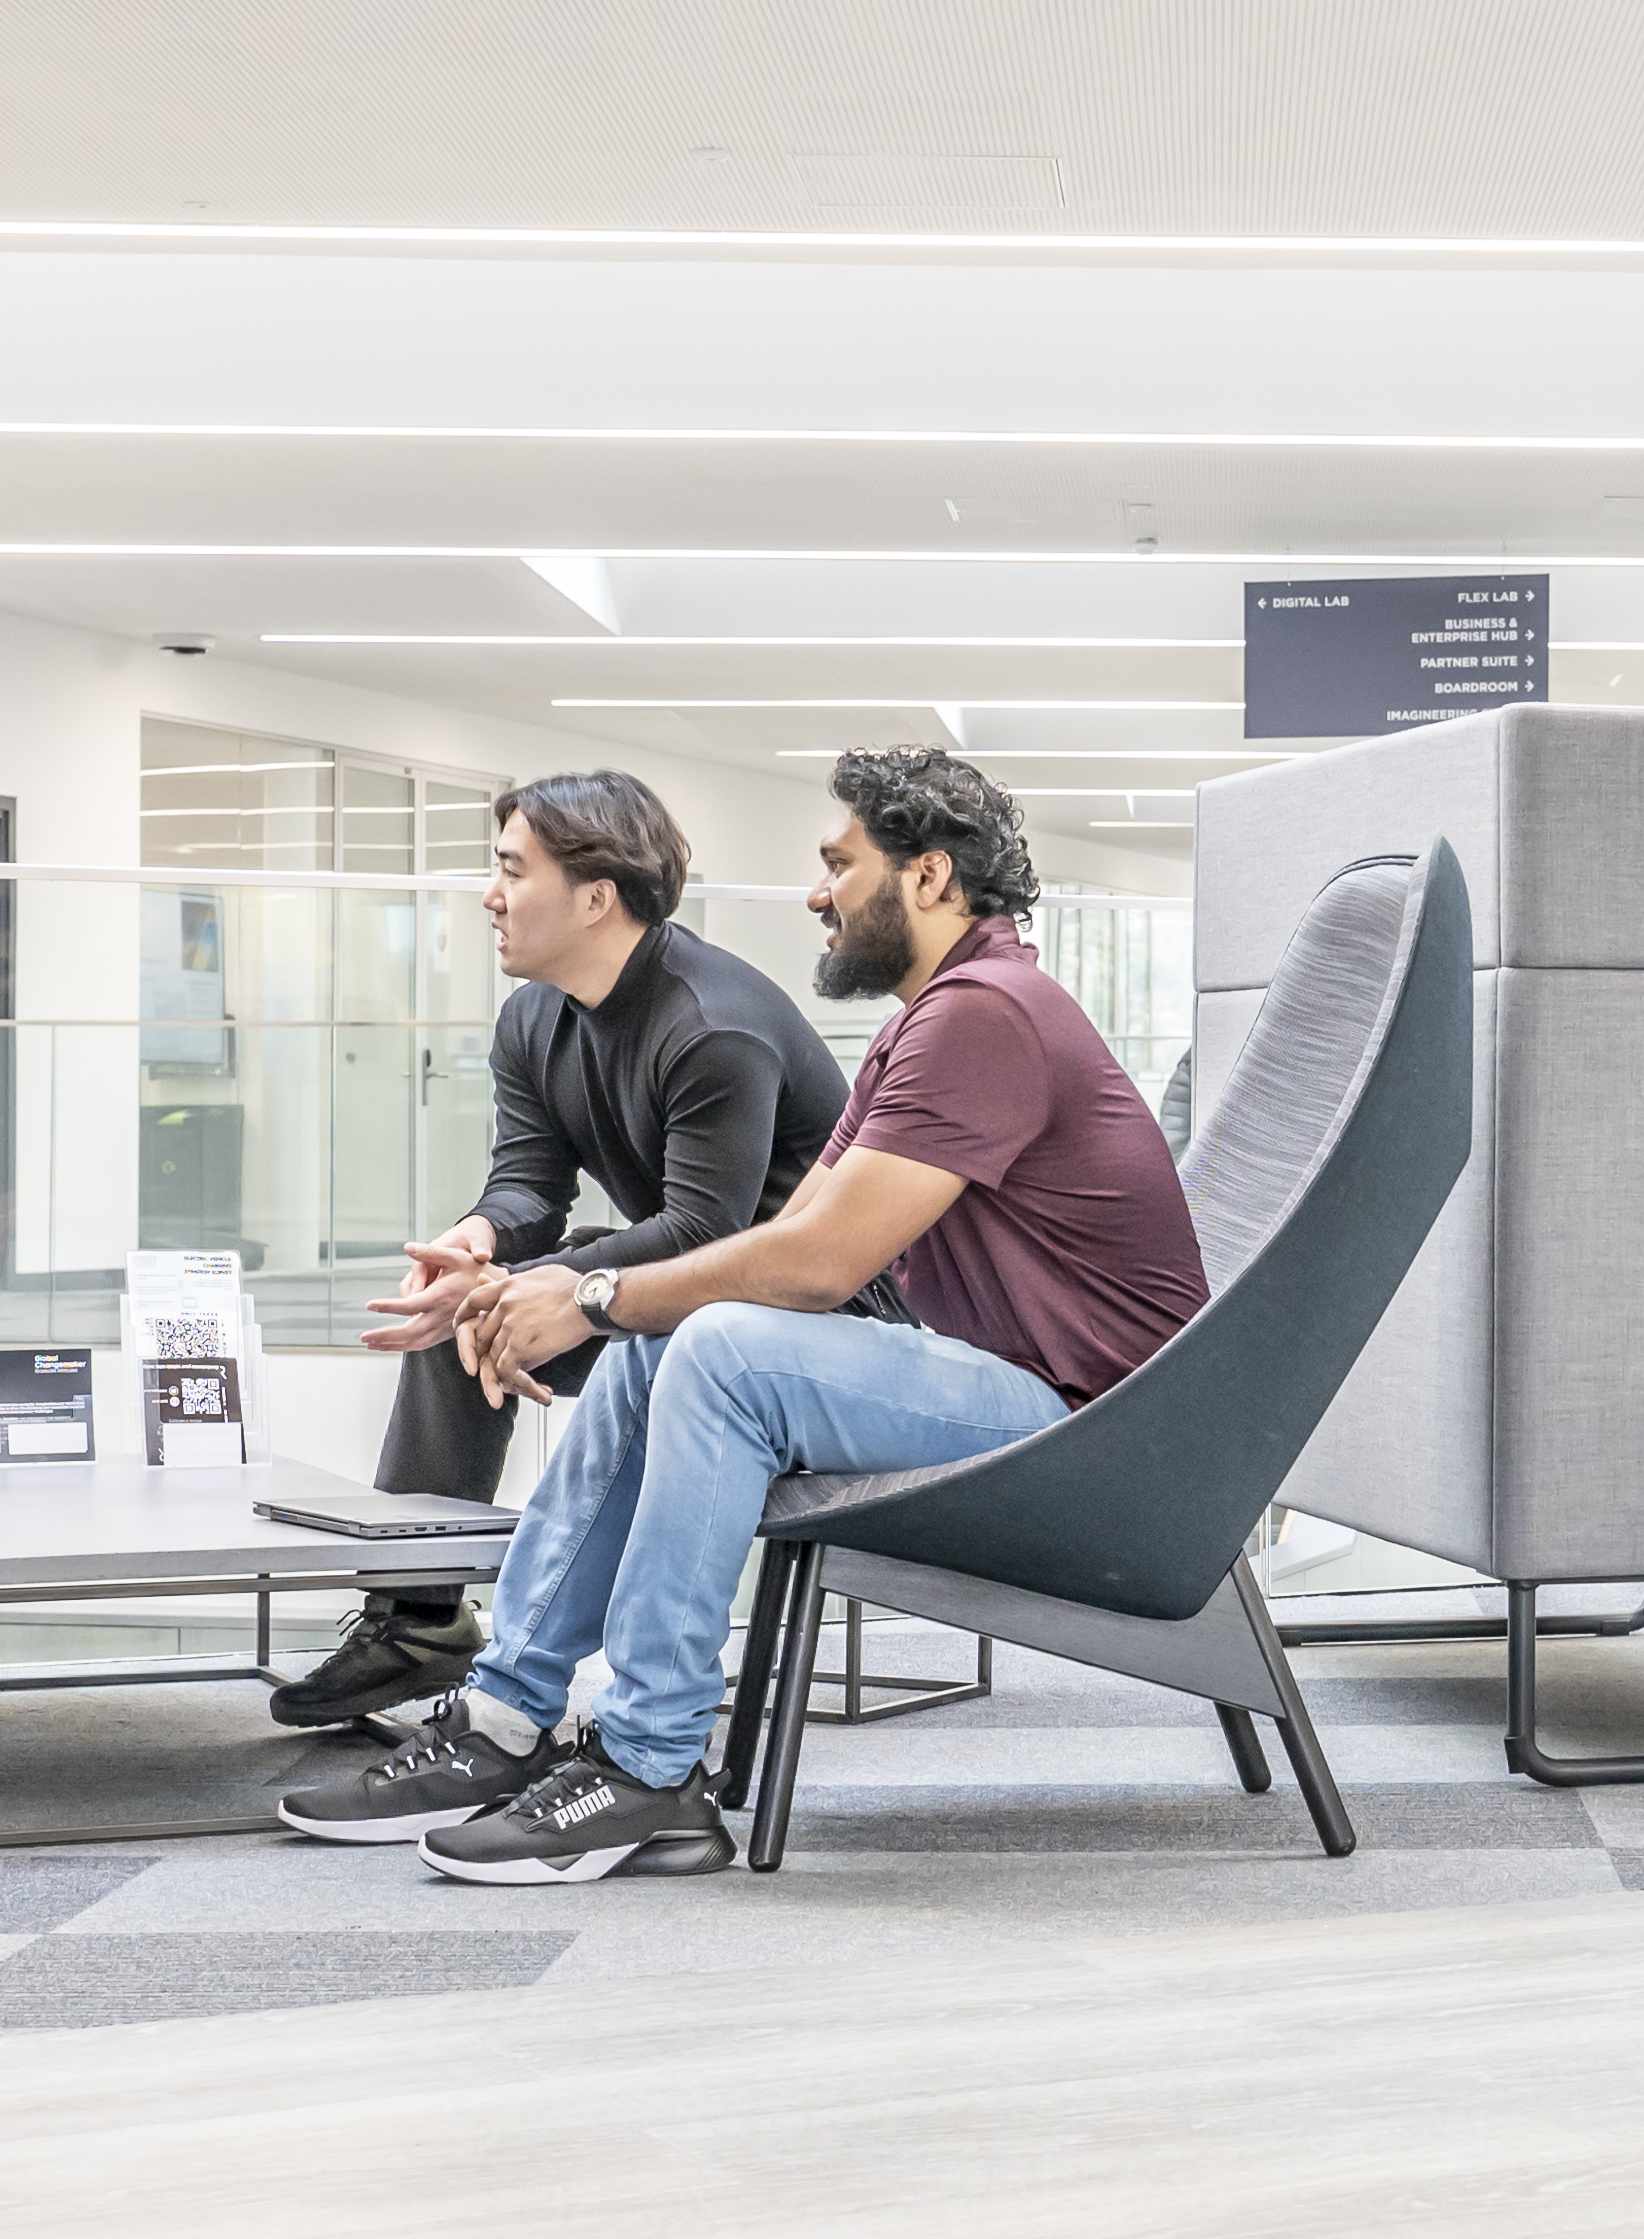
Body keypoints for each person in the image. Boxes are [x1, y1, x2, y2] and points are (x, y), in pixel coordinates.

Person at [334, 749, 1209, 1882]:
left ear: (929, 877)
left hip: (1103, 1426)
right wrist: (591, 1299)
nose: (817, 893)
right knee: (672, 1341)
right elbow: (788, 1235)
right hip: (1015, 1382)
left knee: (721, 1349)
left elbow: (814, 1264)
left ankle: (649, 1767)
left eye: (839, 865)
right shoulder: (929, 1020)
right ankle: (507, 1714)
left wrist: (590, 1292)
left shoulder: (987, 1017)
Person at [262, 768, 853, 1776]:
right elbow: (528, 1183)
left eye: (510, 870)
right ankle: (418, 1620)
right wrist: (480, 1244)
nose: (488, 896)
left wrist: (545, 1289)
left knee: (509, 1306)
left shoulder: (713, 1023)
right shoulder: (535, 1020)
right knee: (469, 1314)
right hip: (674, 1296)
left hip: (796, 1323)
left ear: (595, 894)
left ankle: (584, 1690)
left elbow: (706, 1230)